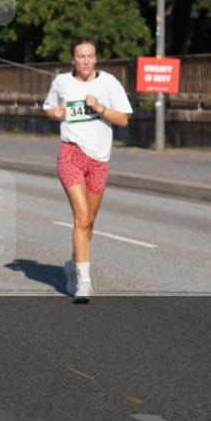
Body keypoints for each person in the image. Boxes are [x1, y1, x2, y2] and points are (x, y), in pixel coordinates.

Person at [43, 37, 132, 303]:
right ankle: (85, 282)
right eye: (81, 56)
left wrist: (100, 107)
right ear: (73, 59)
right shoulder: (62, 82)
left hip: (99, 159)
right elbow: (48, 108)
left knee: (89, 221)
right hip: (71, 153)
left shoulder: (109, 83)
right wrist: (55, 113)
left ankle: (72, 264)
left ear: (96, 58)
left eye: (90, 56)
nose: (86, 61)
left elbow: (124, 120)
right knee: (81, 218)